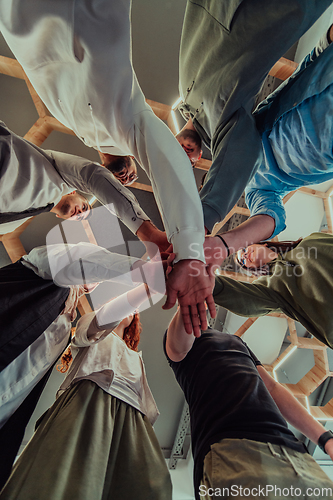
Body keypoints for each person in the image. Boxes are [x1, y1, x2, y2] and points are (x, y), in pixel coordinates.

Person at [0, 0, 215, 335]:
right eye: (129, 170)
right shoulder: (104, 126)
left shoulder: (74, 142)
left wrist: (159, 242)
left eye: (126, 172)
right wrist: (174, 247)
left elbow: (97, 175)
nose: (127, 175)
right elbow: (106, 170)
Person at [0, 241, 164, 489]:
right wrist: (148, 277)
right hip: (89, 399)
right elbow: (80, 264)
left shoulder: (65, 327)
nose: (96, 284)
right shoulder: (46, 277)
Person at [176, 0, 332, 239]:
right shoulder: (258, 188)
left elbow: (295, 80)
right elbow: (271, 217)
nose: (183, 157)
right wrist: (215, 237)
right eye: (189, 164)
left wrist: (326, 42)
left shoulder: (250, 117)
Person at [164, 306, 333, 500]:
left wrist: (326, 439)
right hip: (232, 450)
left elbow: (273, 388)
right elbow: (178, 345)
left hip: (292, 451)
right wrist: (189, 295)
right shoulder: (178, 338)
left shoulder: (236, 341)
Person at [209, 232, 333, 349]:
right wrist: (209, 283)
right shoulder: (269, 287)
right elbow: (246, 301)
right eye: (242, 261)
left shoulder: (310, 241)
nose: (245, 255)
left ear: (262, 243)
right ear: (251, 269)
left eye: (245, 249)